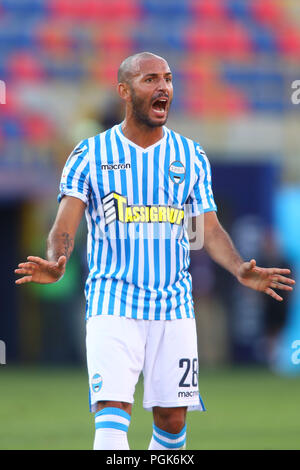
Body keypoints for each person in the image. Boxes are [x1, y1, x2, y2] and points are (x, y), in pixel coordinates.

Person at [15, 52, 295, 450]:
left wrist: (238, 268)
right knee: (112, 410)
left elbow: (208, 228)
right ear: (124, 92)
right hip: (113, 302)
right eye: (150, 80)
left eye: (167, 79)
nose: (163, 87)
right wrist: (58, 260)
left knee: (171, 421)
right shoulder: (91, 154)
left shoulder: (190, 156)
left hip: (173, 308)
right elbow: (64, 225)